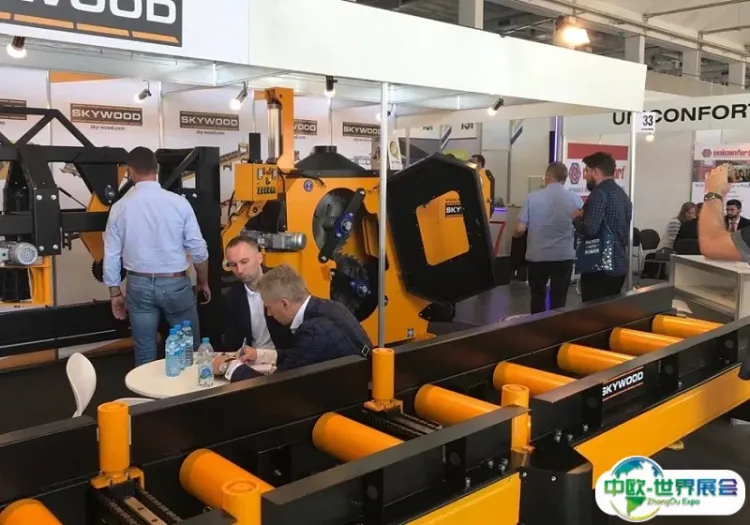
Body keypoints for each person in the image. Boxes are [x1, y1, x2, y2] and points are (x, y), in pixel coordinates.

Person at [103, 147, 211, 366]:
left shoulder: (119, 207)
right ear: (158, 169)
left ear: (129, 172)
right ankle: (189, 387)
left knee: (144, 351)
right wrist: (203, 282)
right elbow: (198, 250)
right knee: (188, 350)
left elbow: (111, 254)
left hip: (138, 285)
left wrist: (115, 292)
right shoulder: (179, 203)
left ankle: (146, 389)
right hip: (175, 283)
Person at [213, 264, 372, 382]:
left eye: (269, 307)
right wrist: (260, 355)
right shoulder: (332, 307)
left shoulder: (314, 332)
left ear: (284, 303)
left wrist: (229, 366)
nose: (269, 313)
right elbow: (300, 354)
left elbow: (276, 386)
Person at [514, 162, 582, 313]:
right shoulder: (576, 199)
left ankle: (538, 325)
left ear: (549, 176)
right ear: (565, 178)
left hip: (538, 256)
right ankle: (557, 325)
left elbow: (519, 229)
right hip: (564, 255)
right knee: (559, 298)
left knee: (537, 296)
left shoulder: (532, 197)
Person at [572, 152, 632, 302]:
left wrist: (576, 218)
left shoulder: (599, 194)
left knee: (593, 311)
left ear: (596, 172)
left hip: (599, 265)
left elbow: (590, 229)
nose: (585, 175)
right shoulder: (622, 195)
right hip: (619, 264)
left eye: (587, 171)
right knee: (610, 310)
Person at [222, 235, 293, 354]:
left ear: (259, 258)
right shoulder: (231, 297)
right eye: (233, 265)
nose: (240, 270)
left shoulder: (284, 281)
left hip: (285, 356)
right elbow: (232, 343)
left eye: (244, 262)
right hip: (250, 357)